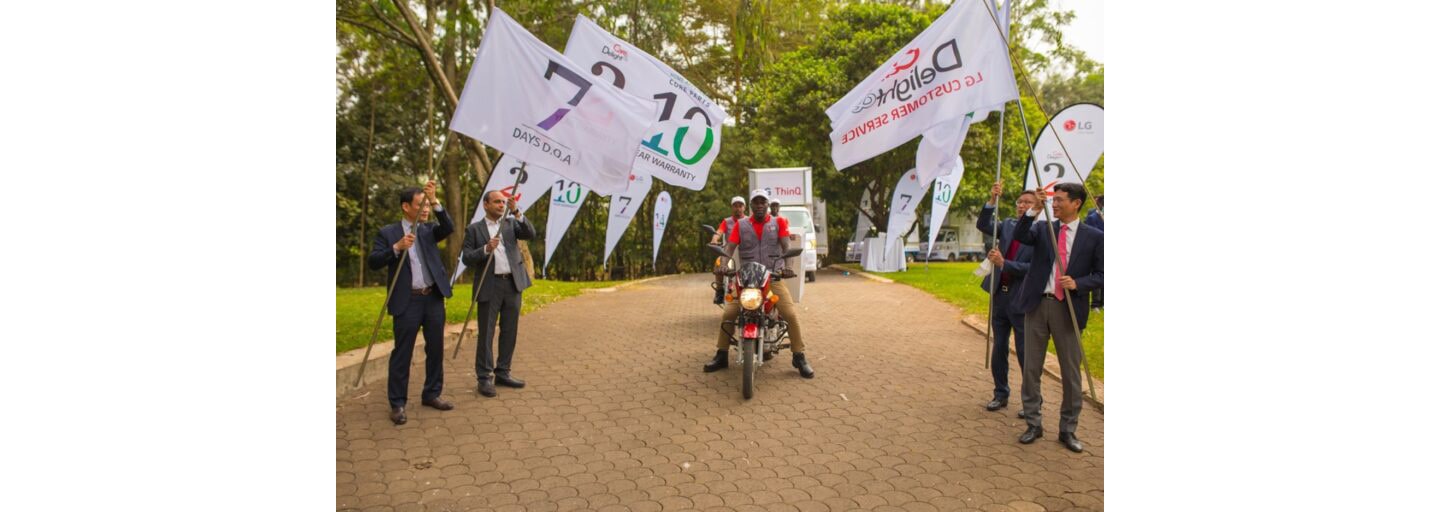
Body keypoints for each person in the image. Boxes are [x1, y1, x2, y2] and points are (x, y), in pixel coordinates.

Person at [1011, 182, 1103, 453]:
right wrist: (1035, 209)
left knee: (1071, 373)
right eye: (1054, 199)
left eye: (1061, 200)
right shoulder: (1043, 228)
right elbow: (1019, 234)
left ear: (1076, 203)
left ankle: (1068, 429)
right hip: (1038, 305)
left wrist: (1079, 283)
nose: (1056, 203)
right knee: (1031, 369)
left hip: (1069, 309)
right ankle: (1033, 423)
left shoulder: (1094, 237)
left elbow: (1102, 274)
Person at [367, 181, 455, 425]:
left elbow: (448, 227)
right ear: (406, 207)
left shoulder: (428, 230)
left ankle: (432, 394)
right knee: (402, 353)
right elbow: (373, 261)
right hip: (407, 301)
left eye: (427, 205)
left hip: (433, 298)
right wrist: (396, 248)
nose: (425, 209)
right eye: (421, 205)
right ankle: (397, 403)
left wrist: (435, 200)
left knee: (435, 348)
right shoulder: (388, 233)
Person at [704, 190, 814, 378]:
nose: (760, 205)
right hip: (746, 278)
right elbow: (729, 248)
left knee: (790, 314)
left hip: (772, 278)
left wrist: (787, 267)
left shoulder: (778, 223)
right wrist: (722, 265)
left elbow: (787, 247)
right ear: (751, 205)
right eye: (756, 202)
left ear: (767, 204)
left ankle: (799, 355)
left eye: (763, 201)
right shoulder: (741, 225)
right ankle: (721, 354)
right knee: (729, 313)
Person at [461, 190, 537, 398]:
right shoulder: (474, 229)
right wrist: (485, 249)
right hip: (489, 285)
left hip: (512, 284)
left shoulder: (511, 224)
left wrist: (517, 212)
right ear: (485, 205)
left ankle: (503, 372)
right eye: (496, 202)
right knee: (486, 332)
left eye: (503, 202)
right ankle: (484, 377)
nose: (501, 205)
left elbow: (531, 233)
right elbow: (467, 258)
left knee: (509, 330)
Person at [975, 182, 1037, 417]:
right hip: (1000, 295)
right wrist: (992, 200)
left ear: (1038, 206)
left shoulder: (1042, 231)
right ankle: (1000, 393)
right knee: (999, 346)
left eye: (1028, 203)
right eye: (1020, 202)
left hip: (1023, 299)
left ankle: (1031, 400)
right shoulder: (1009, 224)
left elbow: (1035, 267)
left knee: (1024, 351)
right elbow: (984, 224)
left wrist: (1006, 264)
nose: (1022, 206)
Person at [710, 196, 748, 304]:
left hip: (745, 252)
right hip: (730, 253)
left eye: (740, 206)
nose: (738, 208)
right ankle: (720, 291)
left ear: (744, 207)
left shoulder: (749, 220)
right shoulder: (727, 221)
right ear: (732, 208)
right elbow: (719, 232)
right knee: (718, 263)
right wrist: (714, 239)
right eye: (735, 206)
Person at [1083, 194, 1104, 310]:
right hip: (1096, 250)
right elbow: (1092, 234)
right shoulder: (1092, 217)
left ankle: (1103, 302)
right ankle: (1095, 303)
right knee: (1097, 275)